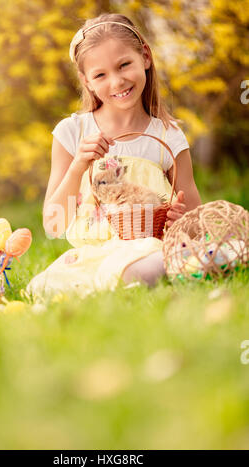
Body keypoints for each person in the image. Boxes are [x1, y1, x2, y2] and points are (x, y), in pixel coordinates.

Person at [27, 13, 201, 298]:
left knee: (140, 270)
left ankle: (146, 274)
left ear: (145, 57)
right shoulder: (72, 132)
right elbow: (53, 224)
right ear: (86, 81)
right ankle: (119, 281)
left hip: (148, 250)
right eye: (100, 75)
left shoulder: (168, 137)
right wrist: (78, 166)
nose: (117, 82)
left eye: (124, 65)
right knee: (46, 288)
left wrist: (181, 220)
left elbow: (196, 220)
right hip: (92, 255)